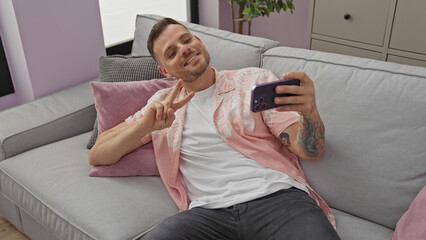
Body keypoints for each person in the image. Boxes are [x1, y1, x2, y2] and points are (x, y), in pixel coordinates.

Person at [89, 18, 340, 239]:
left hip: (277, 198)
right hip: (207, 213)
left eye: (186, 40)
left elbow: (309, 151)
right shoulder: (162, 106)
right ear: (165, 71)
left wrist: (310, 114)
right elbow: (98, 154)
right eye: (172, 52)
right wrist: (143, 126)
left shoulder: (253, 81)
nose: (184, 50)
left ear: (199, 41)